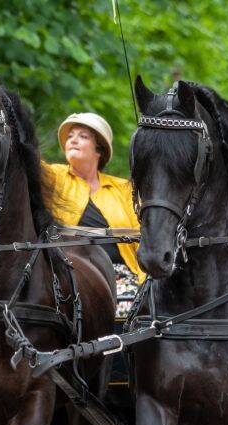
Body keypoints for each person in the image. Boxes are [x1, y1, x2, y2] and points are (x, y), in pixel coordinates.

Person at [40, 113, 142, 316]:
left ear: (99, 149)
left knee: (137, 314)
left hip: (122, 276)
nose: (73, 140)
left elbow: (144, 237)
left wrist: (147, 280)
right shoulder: (54, 176)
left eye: (83, 136)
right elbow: (23, 159)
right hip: (69, 275)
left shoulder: (123, 188)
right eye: (70, 136)